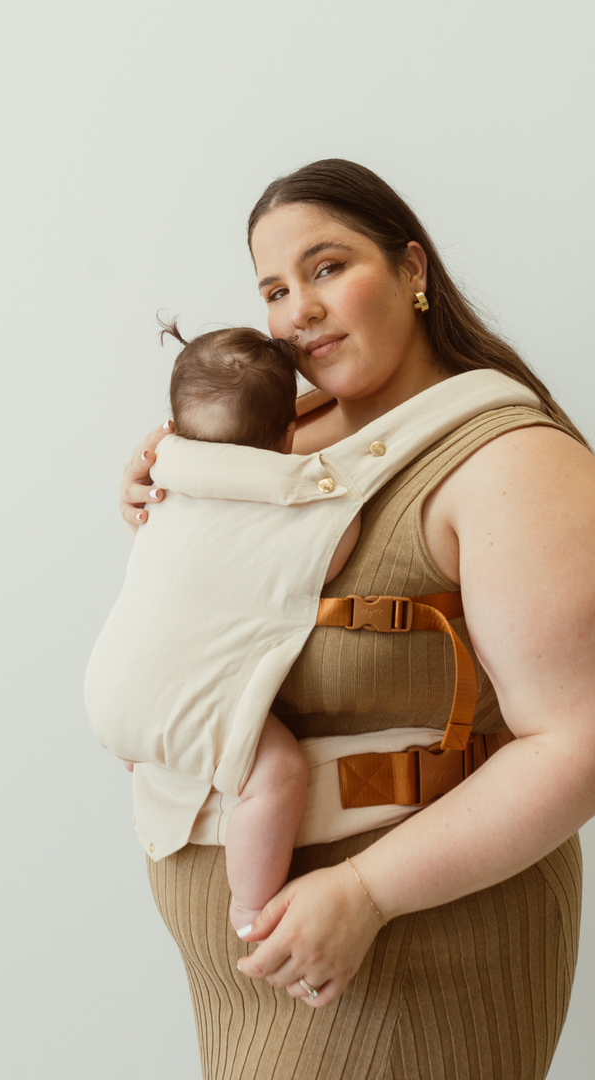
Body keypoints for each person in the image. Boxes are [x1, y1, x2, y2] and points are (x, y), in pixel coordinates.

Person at [117, 159, 595, 1080]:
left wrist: (366, 893)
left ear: (414, 270)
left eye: (328, 267)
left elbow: (579, 743)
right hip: (252, 974)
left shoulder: (512, 464)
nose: (299, 307)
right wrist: (151, 500)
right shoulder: (273, 440)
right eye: (274, 287)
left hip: (403, 964)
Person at [86, 323, 362, 931]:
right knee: (279, 773)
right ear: (290, 433)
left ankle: (152, 743)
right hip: (174, 711)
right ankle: (250, 904)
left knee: (171, 700)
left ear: (174, 426)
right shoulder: (294, 506)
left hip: (109, 697)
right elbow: (338, 549)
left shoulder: (160, 485)